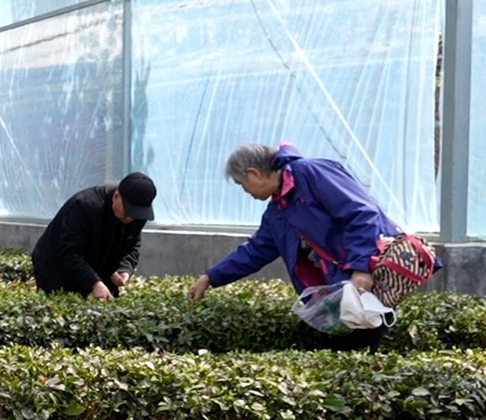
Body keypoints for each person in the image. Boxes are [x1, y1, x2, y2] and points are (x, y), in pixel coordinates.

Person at [188, 143, 430, 347]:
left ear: (254, 173)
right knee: (347, 349)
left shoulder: (311, 173)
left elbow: (361, 213)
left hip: (364, 277)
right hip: (339, 289)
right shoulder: (277, 212)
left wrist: (362, 267)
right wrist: (211, 277)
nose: (245, 191)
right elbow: (255, 251)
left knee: (364, 345)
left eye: (243, 184)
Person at [32, 172, 156, 300]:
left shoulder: (138, 215)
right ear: (116, 196)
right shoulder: (85, 206)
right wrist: (94, 283)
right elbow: (70, 253)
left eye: (136, 213)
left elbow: (132, 246)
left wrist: (124, 268)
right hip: (56, 268)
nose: (131, 218)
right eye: (128, 211)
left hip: (98, 270)